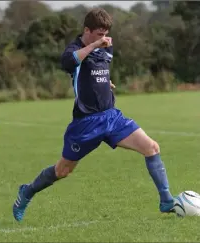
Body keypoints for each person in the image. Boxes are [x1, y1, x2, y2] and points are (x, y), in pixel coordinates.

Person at [12, 8, 175, 222]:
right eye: (99, 34)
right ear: (86, 30)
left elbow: (98, 70)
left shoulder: (107, 46)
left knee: (151, 147)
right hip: (86, 124)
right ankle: (27, 191)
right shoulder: (75, 48)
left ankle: (167, 202)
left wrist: (105, 83)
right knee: (62, 171)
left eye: (105, 34)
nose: (104, 38)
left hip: (111, 117)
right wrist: (94, 45)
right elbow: (68, 63)